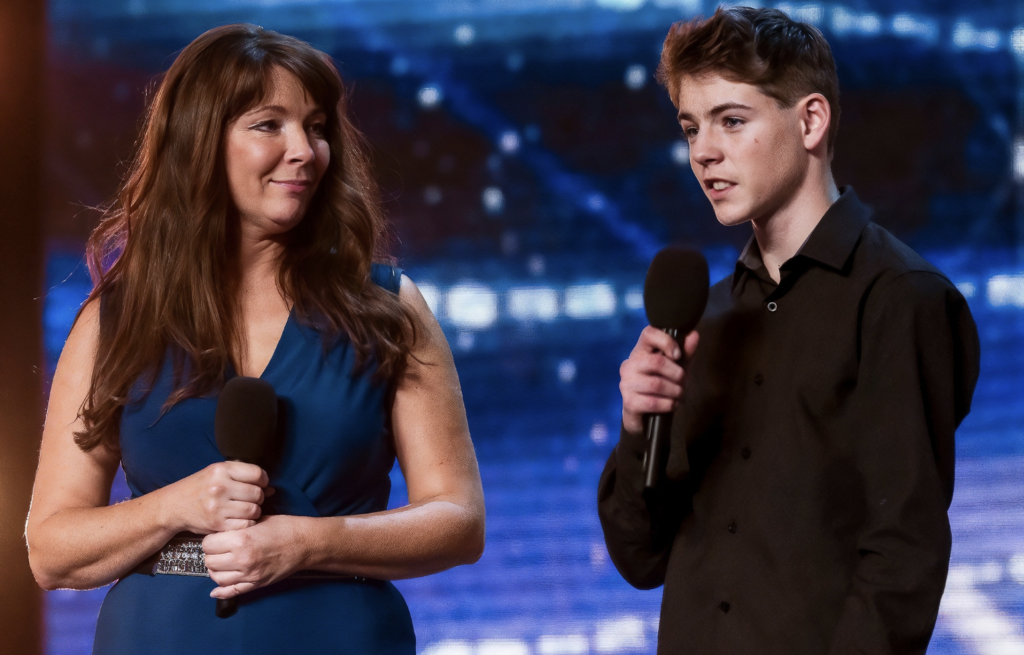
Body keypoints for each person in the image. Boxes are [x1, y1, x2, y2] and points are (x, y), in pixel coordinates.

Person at [26, 24, 484, 654]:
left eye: (317, 126)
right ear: (200, 143)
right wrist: (175, 506)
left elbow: (458, 521)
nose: (304, 150)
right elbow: (52, 552)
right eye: (270, 125)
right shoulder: (117, 319)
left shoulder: (386, 307)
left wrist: (307, 543)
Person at [598, 7, 980, 654]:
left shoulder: (898, 298)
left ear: (810, 120)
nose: (703, 152)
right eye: (691, 128)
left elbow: (903, 554)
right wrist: (639, 426)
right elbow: (641, 556)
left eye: (731, 121)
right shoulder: (704, 317)